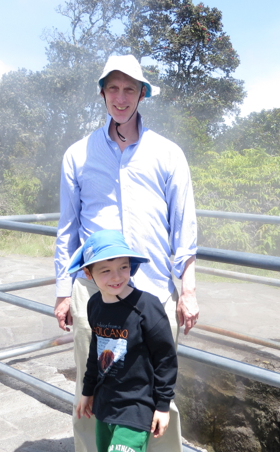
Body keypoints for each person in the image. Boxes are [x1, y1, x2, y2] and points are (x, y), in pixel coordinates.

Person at [54, 54, 198, 452]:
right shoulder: (77, 155)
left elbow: (183, 229)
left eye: (129, 89)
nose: (121, 97)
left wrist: (187, 291)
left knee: (157, 396)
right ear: (102, 94)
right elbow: (67, 230)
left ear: (142, 94)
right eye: (113, 88)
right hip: (94, 294)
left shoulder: (168, 154)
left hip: (152, 294)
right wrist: (64, 291)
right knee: (93, 392)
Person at [69, 230, 178, 452]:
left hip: (136, 407)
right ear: (88, 274)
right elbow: (95, 353)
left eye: (123, 267)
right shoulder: (94, 305)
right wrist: (87, 391)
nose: (116, 277)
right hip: (105, 405)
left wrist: (163, 406)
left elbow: (165, 358)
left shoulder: (147, 306)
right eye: (106, 271)